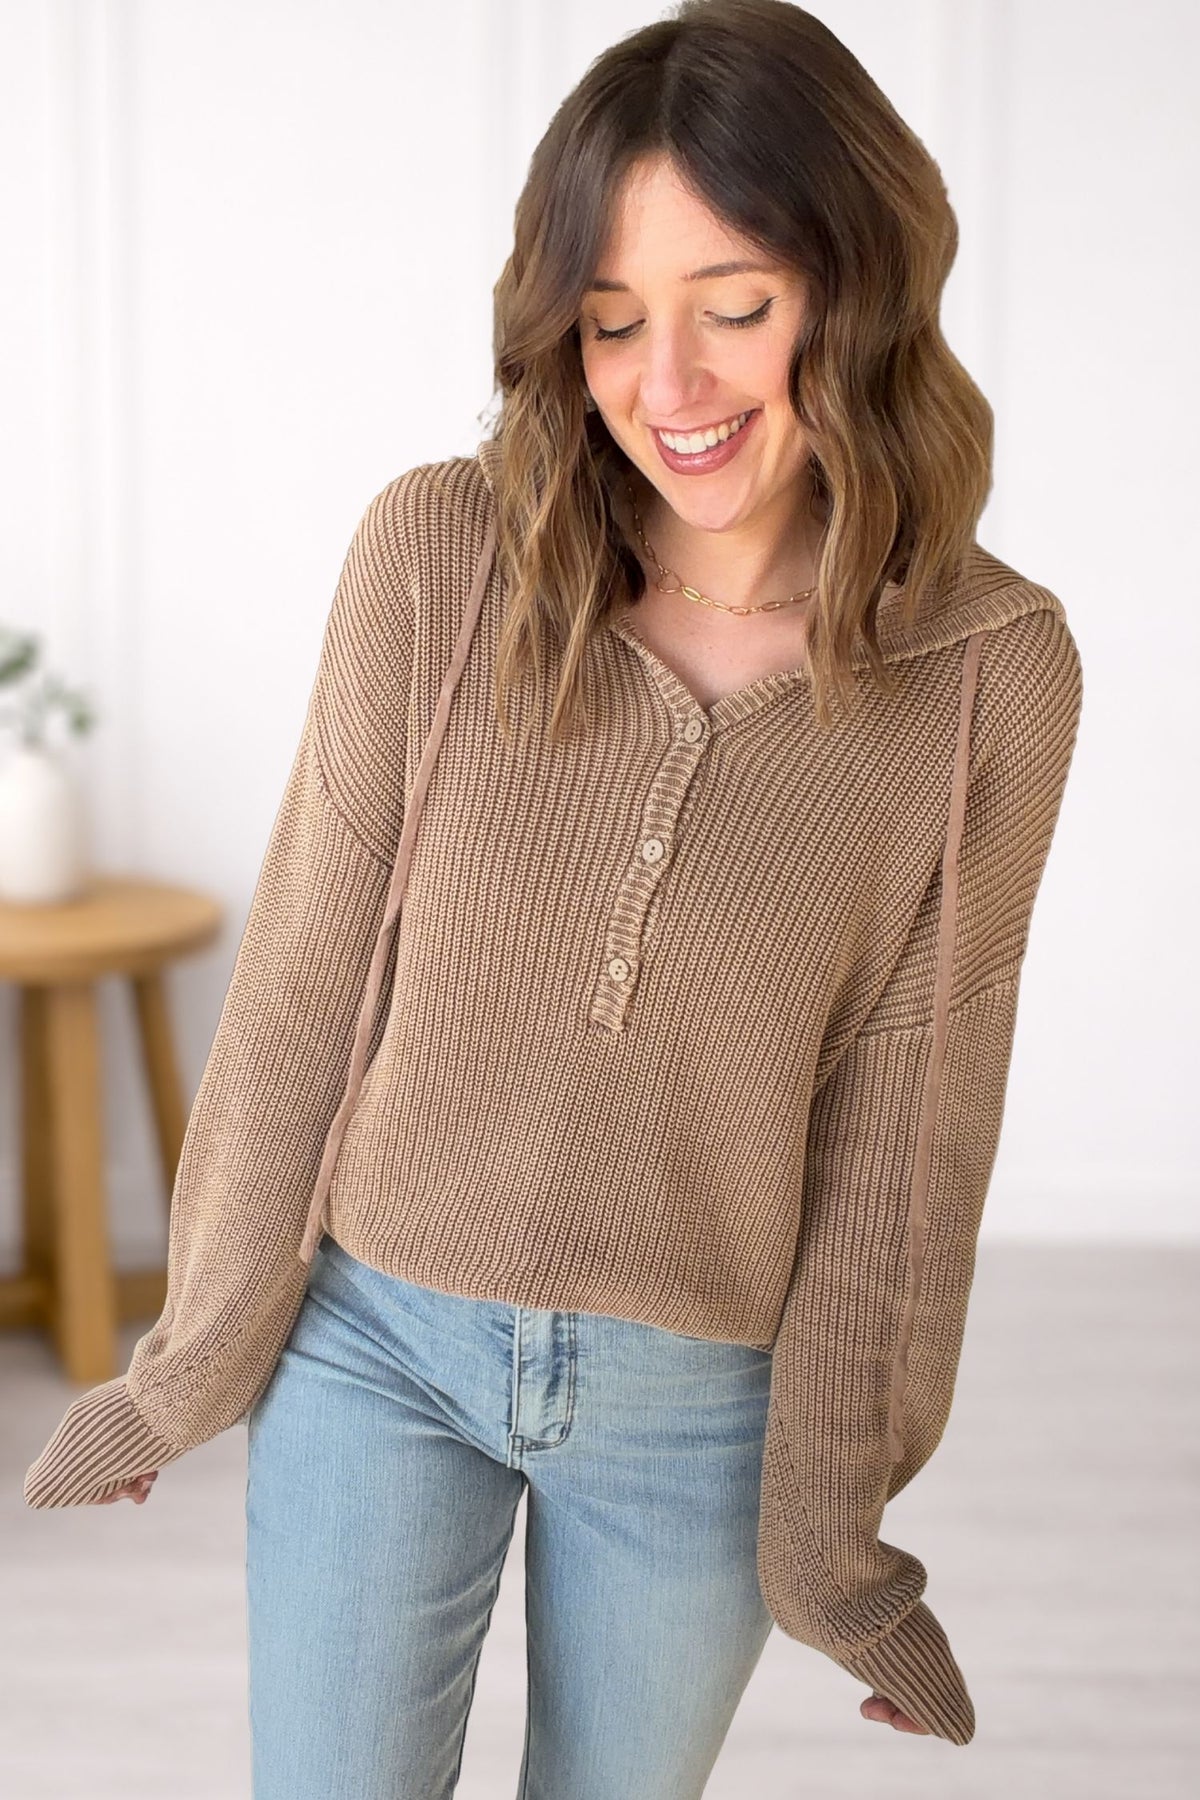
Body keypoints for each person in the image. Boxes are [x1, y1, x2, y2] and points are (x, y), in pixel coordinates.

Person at [23, 1, 1084, 1793]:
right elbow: (304, 985)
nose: (667, 386)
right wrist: (189, 1361)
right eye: (610, 324)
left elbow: (910, 1127)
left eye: (734, 308)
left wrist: (837, 1544)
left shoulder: (991, 675)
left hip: (702, 1418)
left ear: (862, 281)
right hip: (376, 1343)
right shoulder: (440, 557)